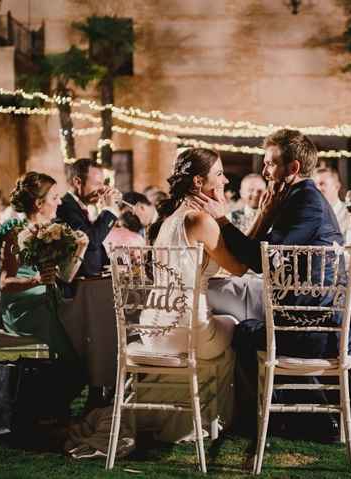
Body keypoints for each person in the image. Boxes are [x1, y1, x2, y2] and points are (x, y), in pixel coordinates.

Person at [191, 129, 351, 439]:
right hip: (313, 321)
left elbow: (260, 260)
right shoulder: (297, 198)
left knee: (244, 331)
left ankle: (277, 419)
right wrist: (265, 215)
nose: (264, 170)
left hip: (321, 329)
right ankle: (291, 415)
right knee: (256, 326)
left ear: (293, 168)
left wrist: (223, 220)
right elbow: (263, 255)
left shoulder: (306, 202)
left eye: (270, 164)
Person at [135, 147, 248, 441]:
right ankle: (214, 416)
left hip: (152, 327)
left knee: (219, 326)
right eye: (219, 174)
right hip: (186, 332)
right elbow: (238, 268)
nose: (225, 181)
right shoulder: (201, 220)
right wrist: (223, 216)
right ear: (199, 182)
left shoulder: (169, 219)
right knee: (235, 325)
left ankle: (177, 409)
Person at [0, 172, 88, 362]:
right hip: (23, 309)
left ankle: (84, 382)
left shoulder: (54, 232)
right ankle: (70, 382)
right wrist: (36, 280)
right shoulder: (14, 233)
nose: (60, 202)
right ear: (39, 204)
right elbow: (4, 283)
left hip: (48, 302)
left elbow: (66, 277)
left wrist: (81, 248)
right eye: (54, 198)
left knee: (87, 322)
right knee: (75, 346)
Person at [56, 159, 121, 277]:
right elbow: (91, 241)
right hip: (77, 287)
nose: (102, 190)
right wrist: (109, 210)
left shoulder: (82, 207)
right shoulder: (64, 207)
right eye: (97, 184)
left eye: (102, 184)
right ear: (77, 182)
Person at [313, 167, 351, 243]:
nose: (317, 188)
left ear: (337, 186)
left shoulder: (350, 214)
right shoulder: (311, 214)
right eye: (315, 185)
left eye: (322, 184)